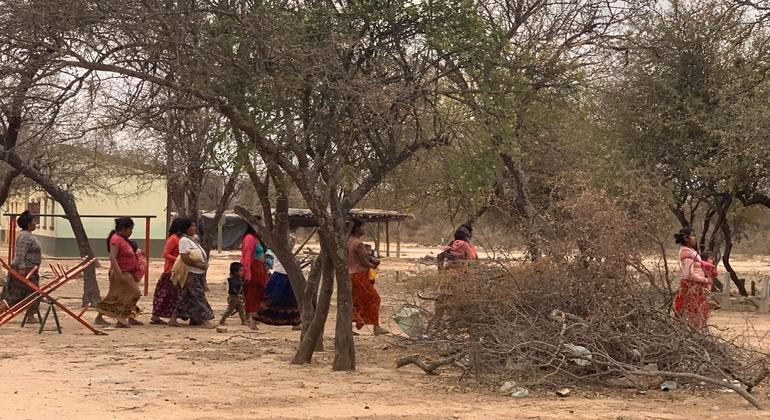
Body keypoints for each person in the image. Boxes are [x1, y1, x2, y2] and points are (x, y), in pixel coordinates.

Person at [95, 217, 146, 328]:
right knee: (132, 293)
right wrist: (119, 274)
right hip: (120, 272)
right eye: (130, 229)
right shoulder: (116, 239)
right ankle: (121, 319)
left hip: (128, 272)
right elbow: (113, 257)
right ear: (123, 229)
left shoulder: (124, 239)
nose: (131, 232)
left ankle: (129, 316)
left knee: (117, 295)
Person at [169, 219, 215, 328]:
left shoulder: (193, 240)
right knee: (198, 297)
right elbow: (185, 258)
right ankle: (205, 319)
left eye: (194, 226)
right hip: (191, 273)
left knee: (185, 298)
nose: (194, 228)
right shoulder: (184, 241)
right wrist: (200, 266)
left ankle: (174, 318)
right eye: (191, 226)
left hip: (198, 274)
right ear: (186, 228)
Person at [348, 218, 389, 335]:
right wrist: (374, 264)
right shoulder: (358, 244)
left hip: (351, 275)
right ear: (357, 228)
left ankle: (348, 327)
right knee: (374, 298)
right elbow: (364, 262)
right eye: (362, 227)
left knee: (354, 301)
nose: (364, 229)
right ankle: (376, 327)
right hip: (359, 275)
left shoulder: (348, 241)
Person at [0, 211, 42, 321]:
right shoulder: (24, 236)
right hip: (23, 270)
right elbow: (20, 254)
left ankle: (30, 315)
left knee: (32, 293)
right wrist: (22, 268)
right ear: (28, 224)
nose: (35, 224)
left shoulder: (29, 235)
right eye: (33, 221)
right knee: (15, 295)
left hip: (31, 270)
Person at [256, 234, 301, 328]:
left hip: (288, 276)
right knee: (274, 299)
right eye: (291, 243)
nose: (293, 244)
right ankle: (260, 317)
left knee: (291, 301)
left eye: (293, 243)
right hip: (280, 276)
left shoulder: (287, 252)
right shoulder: (279, 251)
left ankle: (295, 323)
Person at [673, 227, 711, 329]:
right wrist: (705, 280)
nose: (695, 238)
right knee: (691, 313)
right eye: (692, 236)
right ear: (686, 238)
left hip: (696, 288)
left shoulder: (692, 251)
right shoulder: (686, 252)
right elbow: (688, 274)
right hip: (690, 287)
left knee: (698, 314)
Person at [150, 218, 185, 325]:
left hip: (177, 271)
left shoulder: (180, 239)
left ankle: (160, 315)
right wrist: (179, 260)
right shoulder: (173, 239)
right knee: (164, 294)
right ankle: (156, 315)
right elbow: (165, 254)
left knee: (171, 295)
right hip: (170, 271)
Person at [241, 226, 267, 326]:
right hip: (254, 268)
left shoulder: (257, 238)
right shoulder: (249, 238)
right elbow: (247, 256)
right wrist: (247, 273)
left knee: (260, 291)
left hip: (260, 269)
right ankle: (249, 316)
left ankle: (255, 314)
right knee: (253, 292)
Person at [219, 262, 249, 326]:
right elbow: (232, 289)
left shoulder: (238, 279)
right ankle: (222, 320)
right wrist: (238, 294)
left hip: (237, 297)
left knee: (241, 309)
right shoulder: (232, 280)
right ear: (235, 272)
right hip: (233, 297)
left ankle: (243, 321)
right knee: (230, 310)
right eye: (241, 271)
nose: (242, 272)